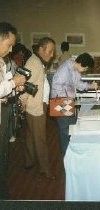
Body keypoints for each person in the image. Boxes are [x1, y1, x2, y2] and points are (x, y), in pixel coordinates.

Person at [20, 37, 56, 179]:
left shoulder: (37, 61)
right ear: (41, 49)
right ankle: (45, 169)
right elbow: (24, 86)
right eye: (50, 51)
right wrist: (23, 104)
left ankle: (29, 161)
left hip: (37, 104)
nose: (52, 54)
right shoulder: (34, 63)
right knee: (40, 138)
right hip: (36, 106)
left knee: (31, 134)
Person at [51, 53, 98, 156]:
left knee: (72, 128)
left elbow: (77, 84)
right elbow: (57, 88)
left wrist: (90, 86)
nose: (85, 71)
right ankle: (66, 157)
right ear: (81, 64)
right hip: (59, 101)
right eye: (85, 69)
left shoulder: (74, 67)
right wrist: (68, 102)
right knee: (65, 133)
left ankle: (71, 155)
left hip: (66, 101)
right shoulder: (64, 70)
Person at [0, 22, 26, 199]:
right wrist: (13, 83)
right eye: (9, 45)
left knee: (4, 157)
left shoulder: (2, 61)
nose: (10, 51)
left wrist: (13, 87)